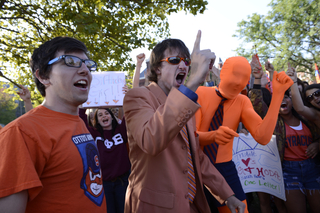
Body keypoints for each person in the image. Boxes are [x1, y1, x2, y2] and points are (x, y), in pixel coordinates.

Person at [123, 30, 245, 213]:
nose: (183, 65)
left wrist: (227, 195)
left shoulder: (185, 104)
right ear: (157, 68)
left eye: (186, 62)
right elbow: (151, 140)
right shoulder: (138, 96)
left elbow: (196, 156)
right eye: (174, 60)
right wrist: (194, 80)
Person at [0, 37, 106, 212]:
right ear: (43, 76)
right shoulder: (20, 133)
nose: (85, 70)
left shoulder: (78, 121)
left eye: (88, 64)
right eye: (71, 62)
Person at [195, 54, 293, 213]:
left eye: (244, 77)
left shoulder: (242, 101)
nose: (239, 82)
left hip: (225, 169)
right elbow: (190, 137)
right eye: (235, 74)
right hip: (196, 166)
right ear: (223, 73)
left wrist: (278, 96)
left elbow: (262, 137)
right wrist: (212, 136)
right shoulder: (200, 93)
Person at [79, 86, 130, 213]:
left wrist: (128, 97)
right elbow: (81, 119)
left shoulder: (121, 131)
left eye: (107, 113)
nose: (104, 116)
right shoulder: (94, 135)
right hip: (104, 183)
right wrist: (83, 101)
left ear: (112, 117)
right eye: (100, 115)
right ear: (97, 120)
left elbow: (129, 115)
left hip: (122, 182)